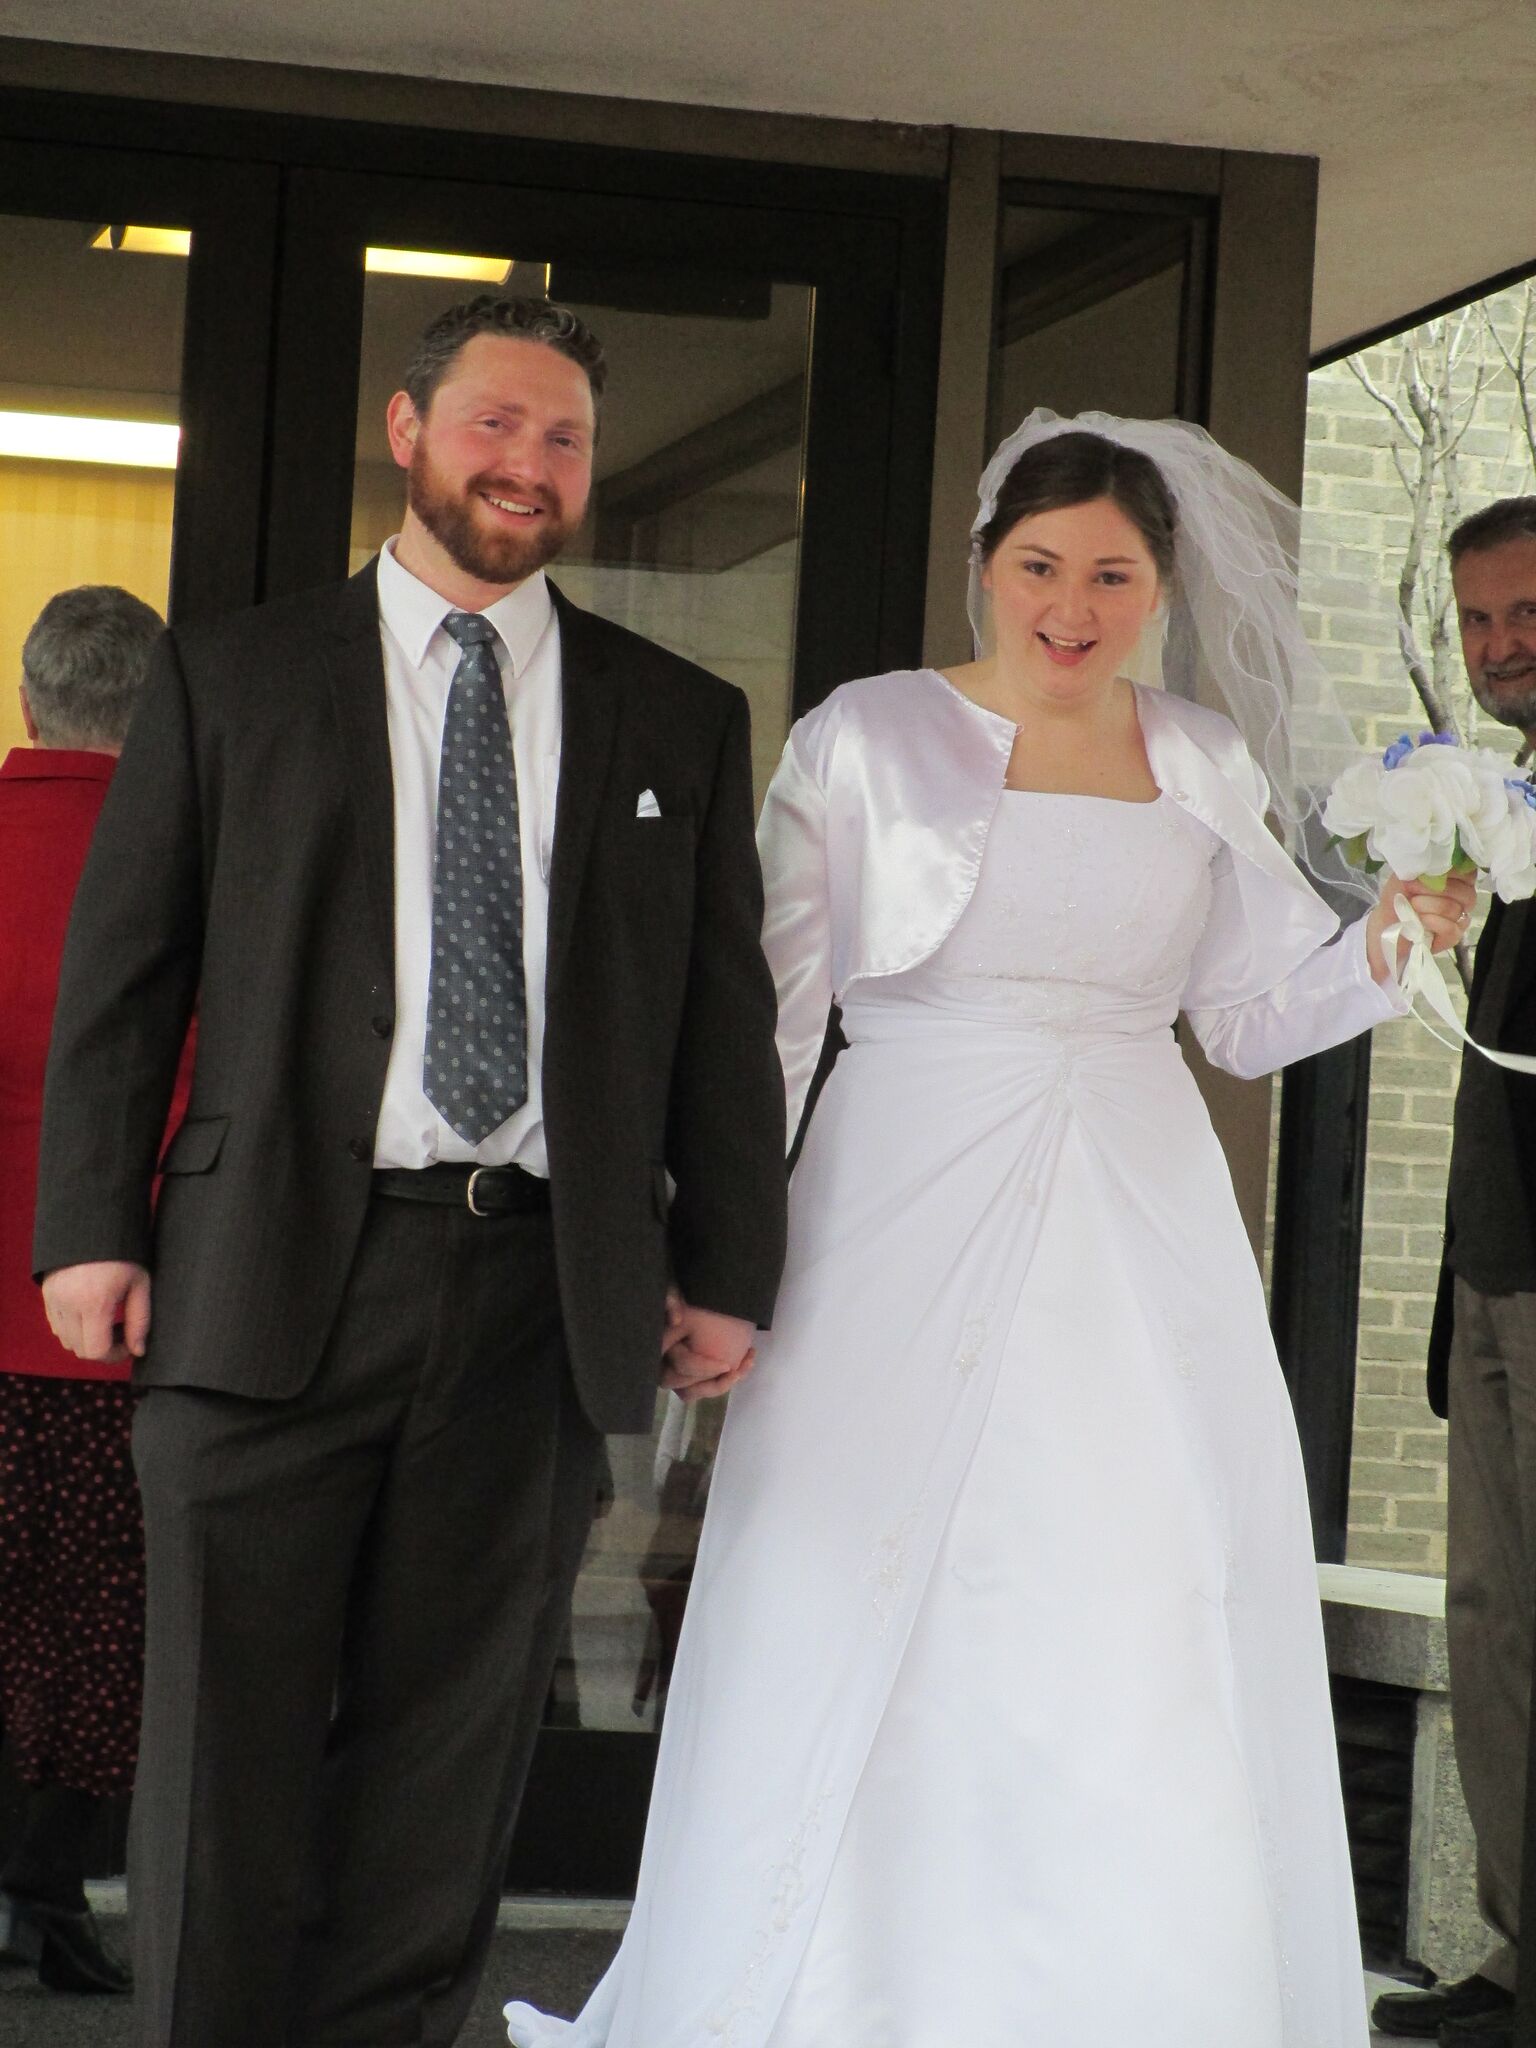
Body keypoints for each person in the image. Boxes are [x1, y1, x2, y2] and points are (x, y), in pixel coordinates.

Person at [506, 413, 1475, 2048]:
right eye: (1039, 567)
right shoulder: (867, 737)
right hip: (898, 1195)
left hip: (1141, 1213)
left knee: (1134, 1577)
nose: (1071, 608)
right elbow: (769, 1023)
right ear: (983, 564)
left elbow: (1246, 1018)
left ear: (1161, 589)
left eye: (1113, 576)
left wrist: (1387, 942)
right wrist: (714, 1248)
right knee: (852, 1560)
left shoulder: (1205, 759)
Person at [33, 294, 788, 2048]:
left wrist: (729, 1266)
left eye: (564, 438)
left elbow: (716, 1017)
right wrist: (86, 1228)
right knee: (223, 1755)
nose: (530, 464)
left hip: (537, 1294)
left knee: (446, 1772)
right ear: (408, 431)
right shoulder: (234, 675)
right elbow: (124, 975)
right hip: (263, 1276)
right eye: (495, 424)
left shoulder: (675, 715)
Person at [0, 584, 189, 1997]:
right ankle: (46, 1892)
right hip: (123, 1324)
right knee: (92, 1632)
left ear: (28, 699)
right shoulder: (194, 866)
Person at [1374, 497, 1536, 2048]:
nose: (1501, 646)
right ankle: (1514, 1955)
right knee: (1490, 1621)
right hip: (1489, 1273)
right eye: (1480, 621)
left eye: (1528, 614)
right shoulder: (1499, 798)